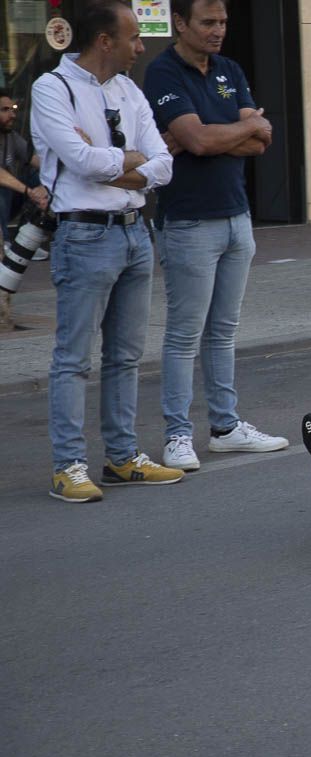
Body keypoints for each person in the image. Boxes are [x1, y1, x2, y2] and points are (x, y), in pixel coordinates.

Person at [31, 0, 180, 502]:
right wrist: (127, 159)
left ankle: (121, 457)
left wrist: (116, 163)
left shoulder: (129, 90)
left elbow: (163, 163)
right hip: (85, 234)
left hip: (136, 231)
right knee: (73, 359)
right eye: (134, 37)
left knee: (125, 356)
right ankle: (68, 466)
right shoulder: (52, 88)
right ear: (104, 41)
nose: (140, 46)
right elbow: (75, 159)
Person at [143, 0, 287, 472]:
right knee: (185, 335)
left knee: (223, 332)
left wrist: (217, 134)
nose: (218, 30)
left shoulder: (229, 68)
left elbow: (260, 140)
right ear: (180, 24)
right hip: (188, 221)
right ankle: (177, 435)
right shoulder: (164, 73)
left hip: (236, 217)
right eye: (208, 22)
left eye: (223, 22)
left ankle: (225, 428)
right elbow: (202, 140)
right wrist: (239, 127)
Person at [1, 91, 50, 243]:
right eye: (5, 110)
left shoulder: (11, 137)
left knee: (37, 177)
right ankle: (5, 242)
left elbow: (36, 161)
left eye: (13, 110)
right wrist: (30, 192)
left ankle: (26, 240)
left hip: (9, 200)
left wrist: (54, 178)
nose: (13, 115)